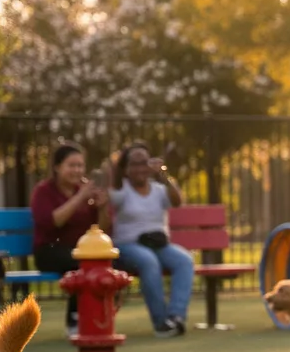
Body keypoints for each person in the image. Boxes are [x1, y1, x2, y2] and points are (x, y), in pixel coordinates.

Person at [105, 141, 195, 337]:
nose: (140, 168)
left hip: (158, 245)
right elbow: (109, 198)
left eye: (144, 163)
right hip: (128, 246)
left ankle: (176, 317)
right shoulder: (121, 190)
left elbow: (177, 201)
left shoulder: (159, 189)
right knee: (148, 261)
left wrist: (163, 175)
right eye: (134, 164)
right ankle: (161, 323)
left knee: (184, 260)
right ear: (126, 168)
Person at [29, 141, 111, 336]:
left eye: (80, 165)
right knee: (82, 265)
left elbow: (101, 228)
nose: (77, 170)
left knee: (99, 264)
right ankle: (75, 321)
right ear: (57, 167)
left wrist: (102, 207)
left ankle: (96, 319)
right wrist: (81, 196)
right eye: (71, 165)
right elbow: (53, 222)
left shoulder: (84, 192)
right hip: (49, 251)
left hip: (78, 251)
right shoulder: (43, 191)